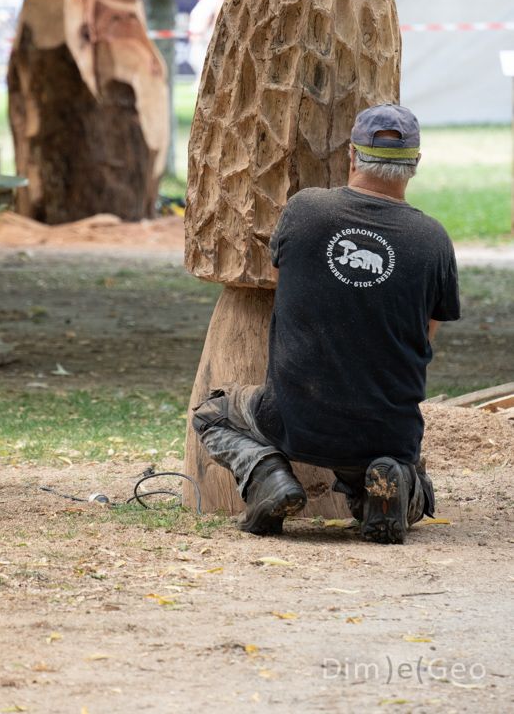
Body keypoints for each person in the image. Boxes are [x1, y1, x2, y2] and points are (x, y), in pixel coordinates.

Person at [192, 103, 460, 544]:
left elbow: (286, 287)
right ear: (414, 165)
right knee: (397, 470)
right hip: (387, 429)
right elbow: (422, 338)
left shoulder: (305, 210)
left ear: (352, 156)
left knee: (212, 414)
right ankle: (386, 484)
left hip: (292, 419)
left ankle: (268, 477)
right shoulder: (433, 242)